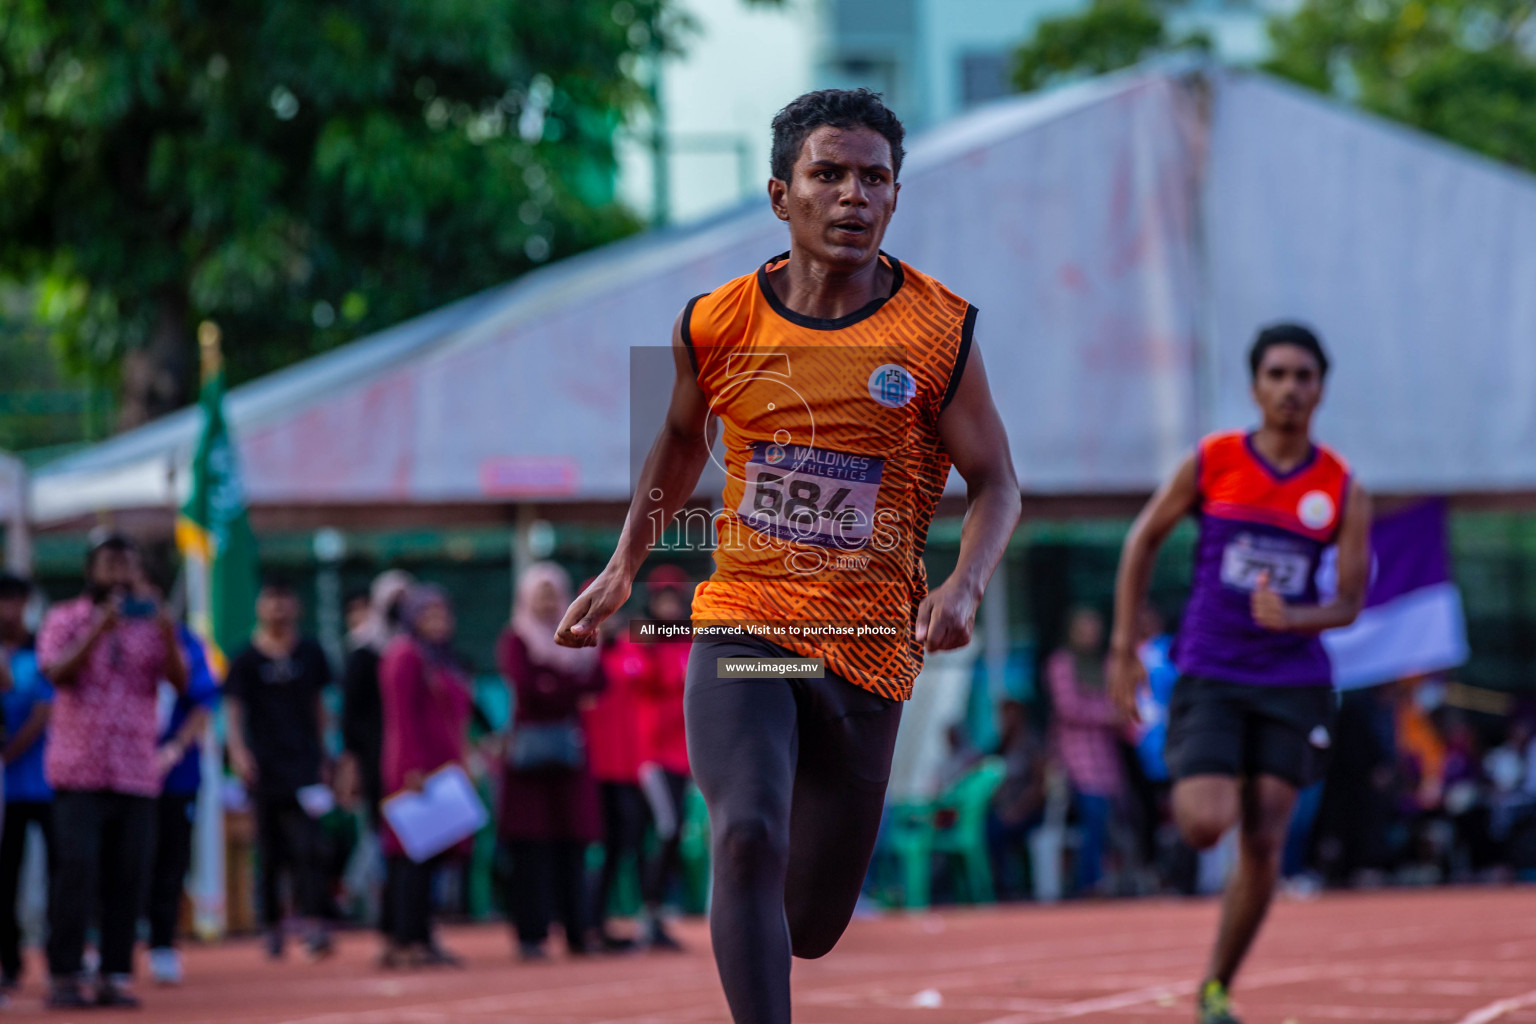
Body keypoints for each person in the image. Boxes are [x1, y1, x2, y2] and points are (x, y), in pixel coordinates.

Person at [551, 89, 1020, 1023]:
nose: (854, 196)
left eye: (875, 179)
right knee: (747, 835)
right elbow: (678, 446)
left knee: (808, 921)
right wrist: (623, 565)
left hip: (869, 641)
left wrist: (966, 582)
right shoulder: (716, 324)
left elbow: (997, 482)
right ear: (780, 195)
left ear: (895, 196)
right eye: (829, 175)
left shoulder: (939, 331)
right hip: (749, 625)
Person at [1109, 324, 1371, 1024]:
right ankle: (1209, 804)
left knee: (1263, 839)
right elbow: (1142, 541)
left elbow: (1348, 601)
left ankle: (1216, 986)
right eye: (1277, 374)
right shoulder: (1216, 460)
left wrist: (1297, 617)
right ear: (1256, 385)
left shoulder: (1340, 486)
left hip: (1292, 683)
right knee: (1205, 823)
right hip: (1211, 671)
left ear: (1320, 388)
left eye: (1303, 376)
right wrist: (1120, 647)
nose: (1290, 388)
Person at [37, 533, 187, 1009]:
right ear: (91, 568)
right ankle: (64, 973)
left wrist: (165, 630)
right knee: (76, 871)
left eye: (127, 561)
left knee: (129, 876)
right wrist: (98, 629)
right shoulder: (65, 618)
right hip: (78, 771)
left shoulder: (149, 625)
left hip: (137, 773)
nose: (119, 571)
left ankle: (114, 973)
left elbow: (181, 684)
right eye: (110, 562)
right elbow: (55, 672)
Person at [225, 579, 335, 962]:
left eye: (284, 601)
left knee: (310, 847)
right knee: (270, 851)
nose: (278, 609)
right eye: (271, 601)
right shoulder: (245, 659)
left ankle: (314, 922)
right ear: (260, 608)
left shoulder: (310, 652)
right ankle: (271, 925)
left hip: (304, 765)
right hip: (264, 767)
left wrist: (325, 756)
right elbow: (234, 711)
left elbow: (322, 707)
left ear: (296, 608)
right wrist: (238, 753)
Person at [498, 563, 604, 961]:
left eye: (552, 593)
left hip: (568, 761)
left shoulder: (579, 635)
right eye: (539, 593)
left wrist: (553, 683)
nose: (546, 601)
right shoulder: (516, 638)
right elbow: (529, 688)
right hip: (528, 766)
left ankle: (578, 931)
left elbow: (598, 681)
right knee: (530, 850)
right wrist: (566, 686)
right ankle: (531, 934)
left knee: (571, 848)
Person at [378, 585, 474, 968]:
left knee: (430, 857)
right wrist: (410, 769)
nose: (437, 623)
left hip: (442, 769)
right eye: (427, 615)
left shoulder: (440, 659)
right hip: (415, 770)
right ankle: (405, 939)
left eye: (442, 614)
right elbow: (401, 717)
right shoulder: (404, 655)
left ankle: (421, 935)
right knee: (410, 858)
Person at [142, 568, 221, 987]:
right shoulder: (108, 638)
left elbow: (204, 700)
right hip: (120, 773)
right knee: (120, 860)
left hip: (175, 774)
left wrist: (175, 747)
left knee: (171, 860)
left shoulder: (187, 642)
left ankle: (162, 944)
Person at [339, 570, 413, 941]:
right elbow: (351, 715)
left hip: (415, 761)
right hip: (377, 761)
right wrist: (351, 765)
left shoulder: (421, 649)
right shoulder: (364, 650)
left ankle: (412, 924)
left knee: (417, 841)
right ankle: (380, 916)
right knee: (382, 840)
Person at [632, 565, 693, 952]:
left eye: (675, 597)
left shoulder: (693, 641)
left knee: (674, 833)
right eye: (662, 598)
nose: (669, 605)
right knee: (667, 830)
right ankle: (648, 912)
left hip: (684, 756)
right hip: (652, 755)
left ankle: (653, 914)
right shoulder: (646, 640)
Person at [1046, 607, 1123, 895]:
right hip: (1075, 759)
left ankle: (1100, 879)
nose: (1091, 633)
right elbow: (1069, 708)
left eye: (1095, 627)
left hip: (1104, 760)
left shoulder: (1102, 664)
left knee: (1107, 820)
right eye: (1085, 627)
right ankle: (1087, 883)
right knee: (1091, 817)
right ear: (1072, 630)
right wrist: (1109, 714)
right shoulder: (1061, 663)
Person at [585, 614, 648, 950]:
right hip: (593, 766)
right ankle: (589, 922)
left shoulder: (630, 647)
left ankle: (601, 920)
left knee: (623, 844)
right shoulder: (582, 654)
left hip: (628, 766)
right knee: (597, 847)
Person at [0, 572, 49, 994]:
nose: (8, 611)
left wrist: (9, 752)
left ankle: (64, 957)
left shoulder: (42, 649)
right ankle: (9, 961)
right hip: (6, 792)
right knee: (5, 878)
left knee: (65, 870)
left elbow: (41, 709)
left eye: (15, 601)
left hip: (47, 782)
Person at [986, 700, 1047, 901]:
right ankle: (989, 886)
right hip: (1005, 812)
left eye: (1009, 715)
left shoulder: (1031, 743)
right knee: (984, 827)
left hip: (1029, 812)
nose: (1004, 720)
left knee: (996, 832)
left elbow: (1039, 787)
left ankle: (1007, 887)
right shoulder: (1002, 744)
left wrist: (1018, 811)